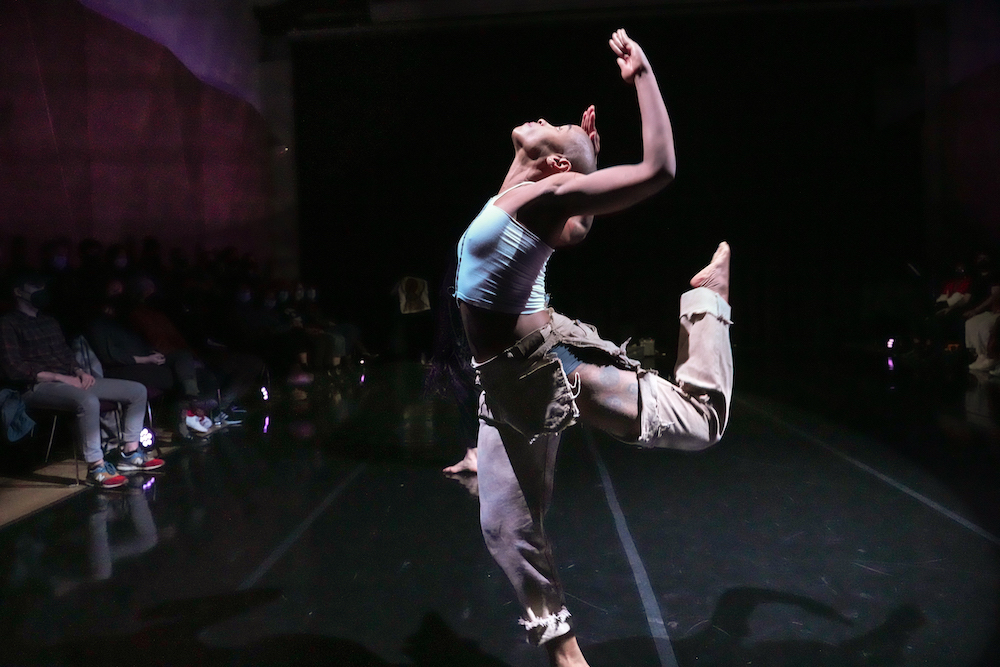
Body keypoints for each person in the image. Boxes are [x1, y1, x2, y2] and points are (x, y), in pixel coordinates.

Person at [455, 30, 733, 667]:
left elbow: (659, 170)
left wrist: (642, 76)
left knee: (700, 425)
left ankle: (709, 300)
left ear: (555, 168)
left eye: (557, 128)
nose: (547, 120)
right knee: (503, 528)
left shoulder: (548, 196)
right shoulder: (530, 197)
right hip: (504, 385)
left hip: (549, 370)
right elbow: (576, 225)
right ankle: (564, 651)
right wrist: (584, 158)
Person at [0, 274, 163, 488]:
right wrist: (60, 377)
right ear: (18, 291)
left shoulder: (48, 321)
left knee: (137, 391)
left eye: (42, 285)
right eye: (34, 286)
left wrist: (79, 371)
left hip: (70, 380)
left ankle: (130, 452)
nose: (40, 290)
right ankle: (96, 467)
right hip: (37, 386)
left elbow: (66, 355)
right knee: (87, 401)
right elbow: (14, 368)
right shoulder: (8, 323)